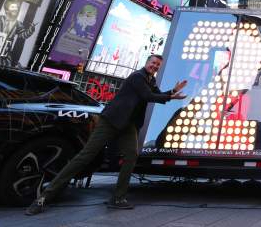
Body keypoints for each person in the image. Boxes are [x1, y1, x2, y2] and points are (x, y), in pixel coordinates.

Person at [26, 54, 187, 215]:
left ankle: (118, 198)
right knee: (85, 156)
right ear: (147, 63)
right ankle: (43, 198)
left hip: (128, 125)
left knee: (131, 155)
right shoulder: (137, 77)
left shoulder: (150, 80)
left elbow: (157, 95)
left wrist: (173, 91)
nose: (155, 66)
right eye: (153, 63)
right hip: (111, 121)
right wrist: (170, 96)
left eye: (158, 65)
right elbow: (148, 96)